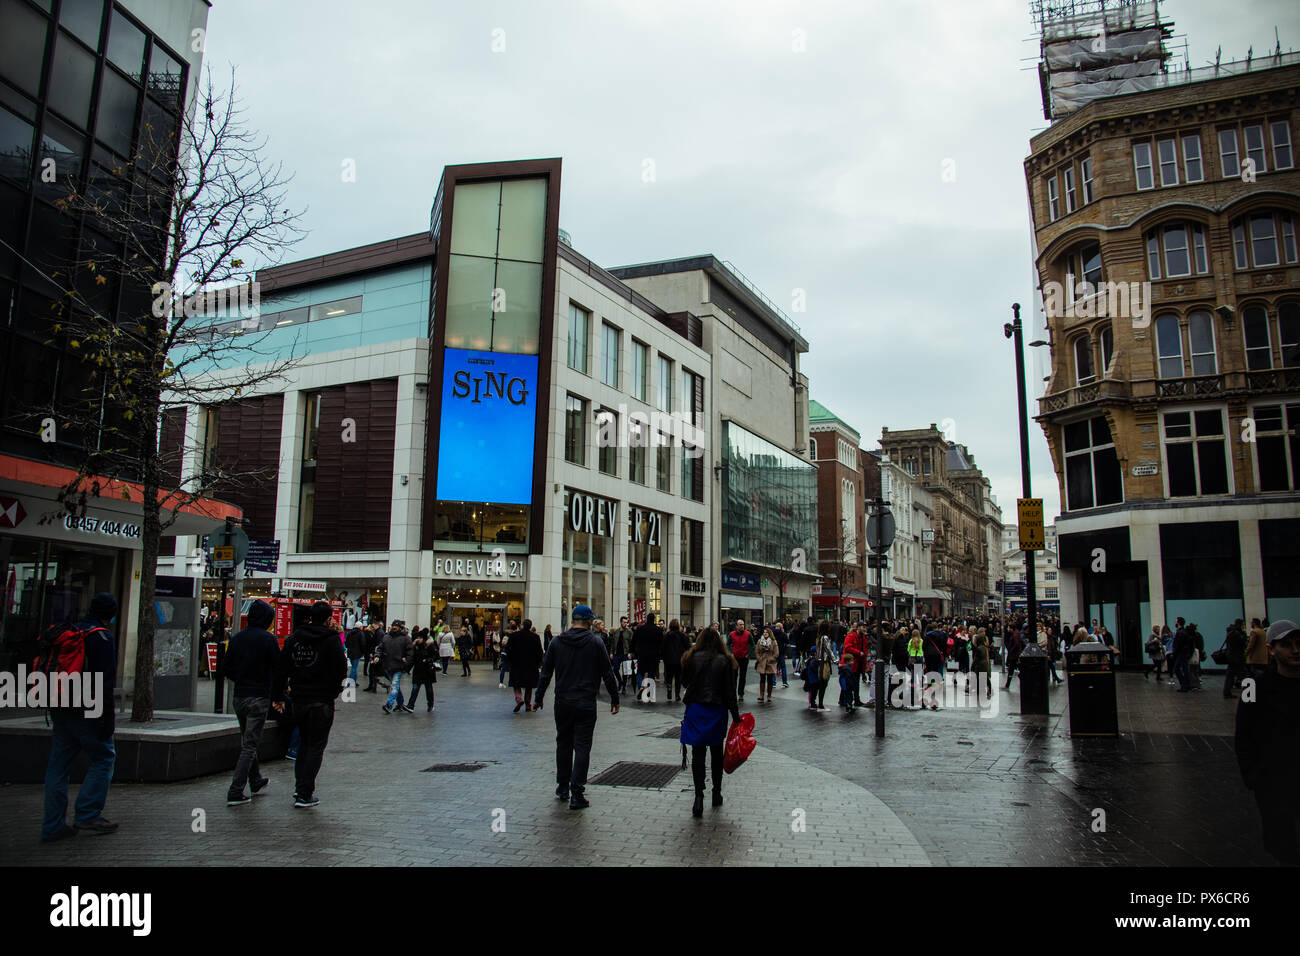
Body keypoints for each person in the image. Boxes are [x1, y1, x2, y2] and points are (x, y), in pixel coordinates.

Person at [41, 593, 121, 842]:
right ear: (110, 615)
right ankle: (87, 813)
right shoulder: (101, 637)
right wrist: (107, 718)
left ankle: (52, 826)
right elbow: (104, 683)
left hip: (60, 704)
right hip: (87, 707)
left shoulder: (71, 630)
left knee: (58, 765)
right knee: (104, 757)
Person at [535, 605, 620, 810]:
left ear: (573, 620)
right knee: (582, 746)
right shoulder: (596, 642)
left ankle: (563, 786)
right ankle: (577, 792)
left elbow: (546, 672)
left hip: (562, 700)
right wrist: (614, 698)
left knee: (563, 742)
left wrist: (538, 697)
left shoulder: (556, 641)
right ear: (589, 621)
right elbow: (607, 673)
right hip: (585, 702)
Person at [1234, 620, 1300, 864]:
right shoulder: (1254, 687)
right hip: (1274, 781)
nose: (1295, 650)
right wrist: (1253, 775)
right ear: (1273, 649)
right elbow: (1243, 734)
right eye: (1287, 645)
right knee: (1281, 843)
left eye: (1298, 643)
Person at [272, 600, 347, 809]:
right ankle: (305, 793)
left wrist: (278, 695)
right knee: (316, 746)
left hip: (299, 699)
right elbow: (341, 670)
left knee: (304, 743)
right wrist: (335, 690)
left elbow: (281, 669)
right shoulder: (331, 640)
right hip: (322, 700)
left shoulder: (294, 639)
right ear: (328, 618)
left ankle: (300, 787)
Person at [222, 599, 279, 806]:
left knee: (247, 738)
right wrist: (278, 694)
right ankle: (236, 790)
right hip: (259, 695)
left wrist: (241, 678)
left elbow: (226, 667)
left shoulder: (237, 638)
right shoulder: (268, 640)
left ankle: (255, 779)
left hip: (240, 695)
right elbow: (277, 669)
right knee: (250, 743)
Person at [680, 628, 742, 817]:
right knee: (716, 752)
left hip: (697, 709)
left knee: (698, 753)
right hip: (717, 709)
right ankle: (716, 792)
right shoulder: (725, 660)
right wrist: (736, 716)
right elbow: (730, 692)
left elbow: (684, 683)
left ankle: (698, 796)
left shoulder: (691, 657)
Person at [506, 618, 544, 713]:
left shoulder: (514, 636)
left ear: (522, 625)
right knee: (529, 686)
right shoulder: (535, 637)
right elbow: (540, 652)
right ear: (530, 626)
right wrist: (538, 663)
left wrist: (511, 660)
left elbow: (508, 649)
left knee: (516, 683)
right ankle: (528, 704)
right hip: (531, 665)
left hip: (517, 664)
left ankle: (519, 699)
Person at [382, 622, 414, 714]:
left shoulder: (406, 638)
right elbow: (381, 648)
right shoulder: (386, 637)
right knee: (395, 686)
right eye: (393, 626)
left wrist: (406, 662)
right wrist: (377, 656)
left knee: (394, 685)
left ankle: (389, 705)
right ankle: (400, 703)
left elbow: (410, 652)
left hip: (399, 666)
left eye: (396, 626)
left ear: (400, 628)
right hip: (388, 665)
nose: (394, 627)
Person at [632, 613, 665, 696]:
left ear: (646, 619)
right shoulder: (658, 630)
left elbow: (633, 641)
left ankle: (641, 686)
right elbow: (662, 643)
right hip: (654, 655)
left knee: (640, 672)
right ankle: (649, 691)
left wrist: (633, 651)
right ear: (654, 619)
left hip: (642, 654)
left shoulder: (640, 629)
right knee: (651, 673)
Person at [408, 629, 438, 713]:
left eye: (420, 637)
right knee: (415, 688)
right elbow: (412, 658)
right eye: (417, 637)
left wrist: (428, 660)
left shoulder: (430, 646)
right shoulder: (416, 646)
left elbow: (435, 656)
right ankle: (410, 705)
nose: (418, 639)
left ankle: (430, 705)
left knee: (428, 689)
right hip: (418, 670)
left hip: (427, 671)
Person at [661, 619, 691, 702]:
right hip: (679, 660)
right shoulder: (683, 636)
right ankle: (677, 694)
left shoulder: (666, 636)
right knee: (678, 678)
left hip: (669, 660)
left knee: (669, 676)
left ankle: (669, 690)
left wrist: (664, 657)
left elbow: (663, 648)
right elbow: (687, 648)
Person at [754, 626, 780, 703]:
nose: (765, 634)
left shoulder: (773, 641)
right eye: (764, 632)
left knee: (770, 679)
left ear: (769, 634)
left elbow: (776, 653)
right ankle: (761, 695)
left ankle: (769, 695)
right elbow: (757, 651)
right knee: (762, 679)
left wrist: (771, 659)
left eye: (766, 633)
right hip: (762, 662)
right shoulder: (760, 641)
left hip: (770, 663)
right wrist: (759, 658)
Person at [1223, 619, 1249, 699]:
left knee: (1230, 675)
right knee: (1243, 675)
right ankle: (1248, 693)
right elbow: (1243, 642)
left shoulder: (1230, 632)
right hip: (1237, 657)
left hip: (1231, 657)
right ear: (1240, 624)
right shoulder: (1237, 633)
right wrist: (1244, 633)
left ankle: (1227, 692)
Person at [728, 620, 753, 701]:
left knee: (743, 676)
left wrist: (748, 654)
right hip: (735, 658)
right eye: (740, 624)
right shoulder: (731, 634)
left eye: (743, 624)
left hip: (744, 658)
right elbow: (728, 644)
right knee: (733, 676)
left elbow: (753, 645)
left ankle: (741, 693)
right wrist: (731, 653)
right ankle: (733, 693)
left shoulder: (748, 634)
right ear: (736, 626)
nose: (742, 626)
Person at [608, 617, 633, 692]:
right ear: (621, 622)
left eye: (626, 622)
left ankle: (624, 687)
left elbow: (632, 643)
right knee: (615, 669)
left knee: (625, 671)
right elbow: (613, 643)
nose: (625, 624)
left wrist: (630, 653)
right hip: (617, 653)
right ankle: (620, 682)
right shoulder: (616, 631)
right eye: (624, 622)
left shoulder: (629, 632)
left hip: (626, 653)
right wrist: (611, 652)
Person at [1172, 617, 1193, 692]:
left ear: (1178, 623)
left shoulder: (1180, 632)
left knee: (1177, 669)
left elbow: (1178, 644)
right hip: (1184, 653)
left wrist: (1174, 652)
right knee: (1185, 668)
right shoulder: (1184, 631)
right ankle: (1187, 685)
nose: (1175, 622)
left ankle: (1184, 685)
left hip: (1181, 653)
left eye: (1176, 621)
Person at [344, 621, 365, 686]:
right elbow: (362, 643)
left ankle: (354, 681)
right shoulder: (360, 633)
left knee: (354, 667)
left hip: (350, 652)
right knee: (354, 668)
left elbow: (346, 643)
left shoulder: (350, 633)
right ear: (360, 627)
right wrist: (363, 651)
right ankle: (350, 682)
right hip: (357, 653)